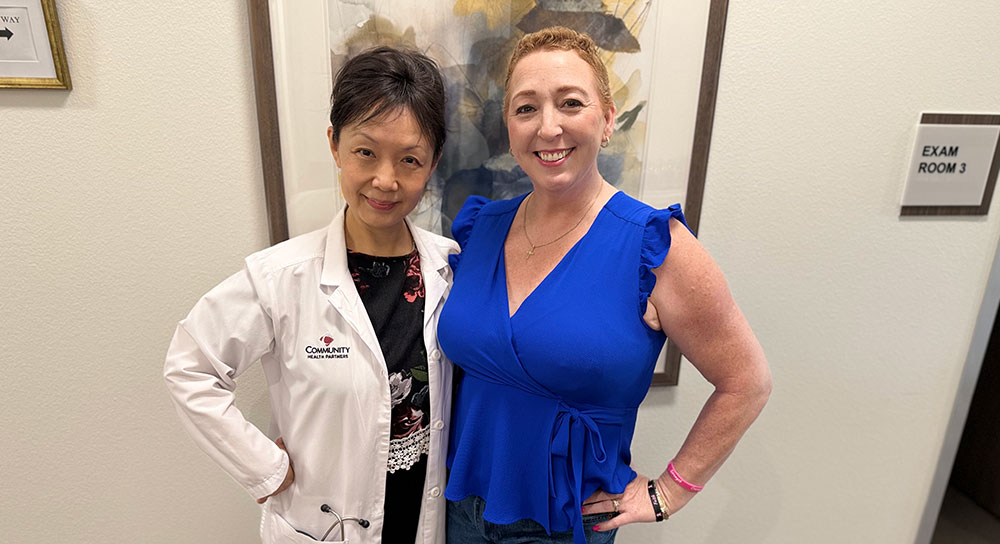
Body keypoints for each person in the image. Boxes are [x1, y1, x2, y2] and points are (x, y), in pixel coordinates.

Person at [438, 27, 772, 544]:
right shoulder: (480, 228)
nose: (549, 127)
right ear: (509, 127)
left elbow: (747, 382)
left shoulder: (655, 246)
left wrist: (669, 493)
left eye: (570, 103)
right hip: (454, 506)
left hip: (563, 521)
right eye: (526, 109)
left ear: (609, 118)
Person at [163, 46, 457, 544]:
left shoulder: (449, 265)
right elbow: (190, 368)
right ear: (335, 145)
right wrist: (265, 470)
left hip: (425, 521)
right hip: (327, 525)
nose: (385, 180)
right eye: (366, 152)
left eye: (409, 159)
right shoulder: (280, 277)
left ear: (431, 165)